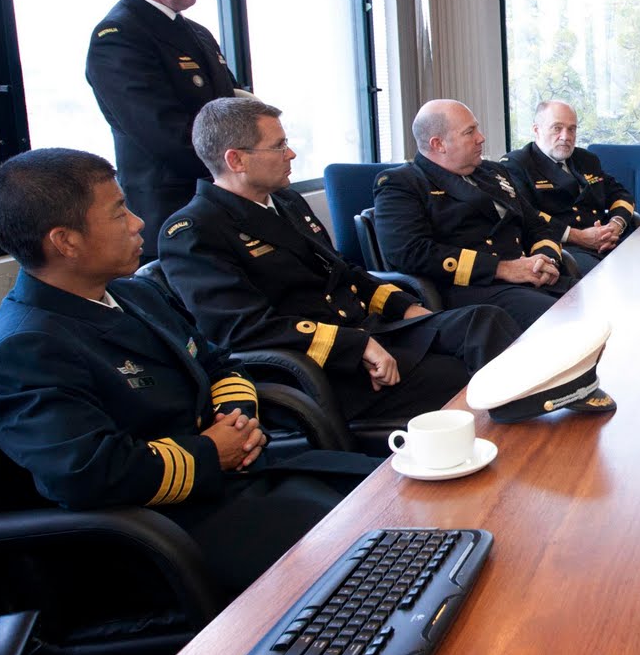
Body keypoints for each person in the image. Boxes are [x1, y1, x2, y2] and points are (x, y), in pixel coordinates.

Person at [0, 148, 379, 593]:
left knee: (389, 492)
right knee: (369, 549)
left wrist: (236, 423)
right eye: (119, 212)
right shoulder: (27, 344)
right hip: (158, 534)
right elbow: (88, 474)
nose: (138, 223)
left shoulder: (133, 294)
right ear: (65, 241)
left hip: (237, 477)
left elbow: (217, 362)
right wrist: (213, 451)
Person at [157, 98, 522, 423]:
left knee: (483, 321)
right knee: (463, 377)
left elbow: (343, 271)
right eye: (279, 145)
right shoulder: (194, 231)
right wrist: (355, 345)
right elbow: (243, 329)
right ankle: (517, 450)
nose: (291, 154)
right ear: (235, 159)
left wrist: (405, 306)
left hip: (367, 331)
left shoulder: (286, 202)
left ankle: (526, 429)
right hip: (322, 367)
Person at [85, 0, 239, 260]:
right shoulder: (118, 37)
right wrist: (244, 166)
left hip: (221, 205)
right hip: (173, 219)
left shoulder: (197, 34)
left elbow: (234, 110)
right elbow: (167, 136)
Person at [373, 99, 569, 331]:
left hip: (529, 278)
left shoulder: (493, 172)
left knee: (597, 303)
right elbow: (410, 252)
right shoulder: (402, 183)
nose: (481, 138)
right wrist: (503, 268)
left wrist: (544, 260)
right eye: (470, 132)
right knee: (566, 322)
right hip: (474, 290)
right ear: (438, 144)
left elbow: (536, 224)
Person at [500, 100, 638, 275]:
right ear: (537, 130)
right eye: (557, 128)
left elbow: (620, 194)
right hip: (565, 247)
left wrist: (615, 225)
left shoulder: (586, 159)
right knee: (610, 275)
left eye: (571, 129)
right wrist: (579, 236)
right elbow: (528, 215)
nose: (565, 136)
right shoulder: (517, 164)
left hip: (607, 239)